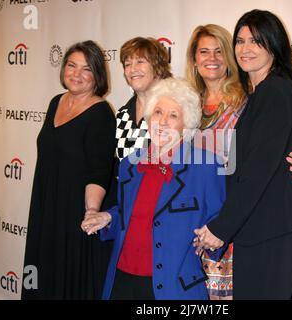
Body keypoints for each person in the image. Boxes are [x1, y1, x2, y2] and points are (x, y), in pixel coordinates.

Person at [194, 10, 292, 299]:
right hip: (267, 223)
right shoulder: (266, 91)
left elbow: (257, 170)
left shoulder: (274, 91)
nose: (245, 49)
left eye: (255, 41)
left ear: (273, 45)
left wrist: (221, 227)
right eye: (240, 40)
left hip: (270, 223)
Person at [81, 78, 225, 300]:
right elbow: (128, 212)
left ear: (186, 125)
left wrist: (213, 236)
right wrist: (107, 217)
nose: (163, 122)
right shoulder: (130, 163)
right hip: (122, 279)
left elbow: (221, 219)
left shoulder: (205, 166)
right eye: (158, 112)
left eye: (173, 115)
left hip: (175, 287)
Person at [22, 40, 116, 299]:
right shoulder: (55, 102)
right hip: (47, 208)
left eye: (86, 69)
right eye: (71, 65)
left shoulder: (101, 113)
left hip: (76, 215)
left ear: (97, 75)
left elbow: (100, 170)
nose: (76, 74)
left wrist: (91, 212)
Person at [115, 37, 172, 163]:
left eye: (140, 61)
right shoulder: (121, 116)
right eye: (127, 64)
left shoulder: (174, 110)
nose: (132, 69)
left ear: (158, 66)